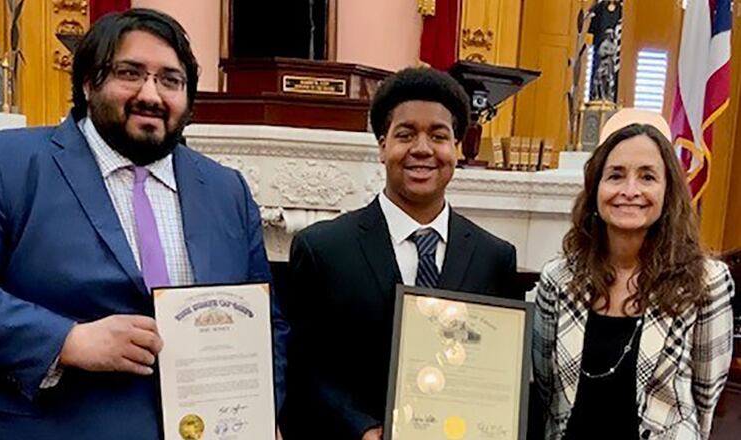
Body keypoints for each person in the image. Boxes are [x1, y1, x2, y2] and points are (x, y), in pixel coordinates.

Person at [0, 8, 287, 440]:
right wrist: (66, 341)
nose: (151, 94)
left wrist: (260, 414)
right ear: (90, 82)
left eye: (171, 80)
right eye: (131, 73)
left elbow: (264, 323)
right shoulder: (6, 164)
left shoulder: (227, 190)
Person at [278, 67, 519, 440]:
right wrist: (362, 428)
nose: (422, 149)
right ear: (382, 146)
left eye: (438, 136)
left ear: (456, 148)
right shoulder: (323, 249)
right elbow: (303, 366)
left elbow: (500, 372)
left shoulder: (494, 258)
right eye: (405, 135)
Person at [532, 110, 735, 440]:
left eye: (647, 177)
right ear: (595, 190)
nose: (630, 190)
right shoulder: (558, 279)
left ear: (668, 193)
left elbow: (705, 400)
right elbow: (547, 387)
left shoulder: (706, 282)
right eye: (615, 175)